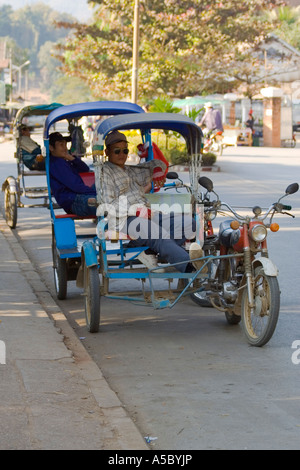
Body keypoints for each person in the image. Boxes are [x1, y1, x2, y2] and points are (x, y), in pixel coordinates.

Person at [98, 130, 205, 273]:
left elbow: (158, 164)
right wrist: (135, 210)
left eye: (125, 150)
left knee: (189, 224)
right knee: (156, 234)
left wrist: (157, 171)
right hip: (124, 219)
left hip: (149, 214)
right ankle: (191, 266)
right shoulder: (105, 173)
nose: (122, 154)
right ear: (107, 152)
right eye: (117, 151)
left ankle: (149, 251)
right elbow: (109, 205)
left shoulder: (130, 169)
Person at [49, 131, 97, 216]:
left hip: (79, 196)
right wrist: (95, 193)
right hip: (74, 201)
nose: (65, 148)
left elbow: (84, 169)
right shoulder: (57, 164)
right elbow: (76, 186)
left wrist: (70, 157)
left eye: (65, 145)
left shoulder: (64, 160)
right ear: (51, 148)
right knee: (109, 205)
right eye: (61, 145)